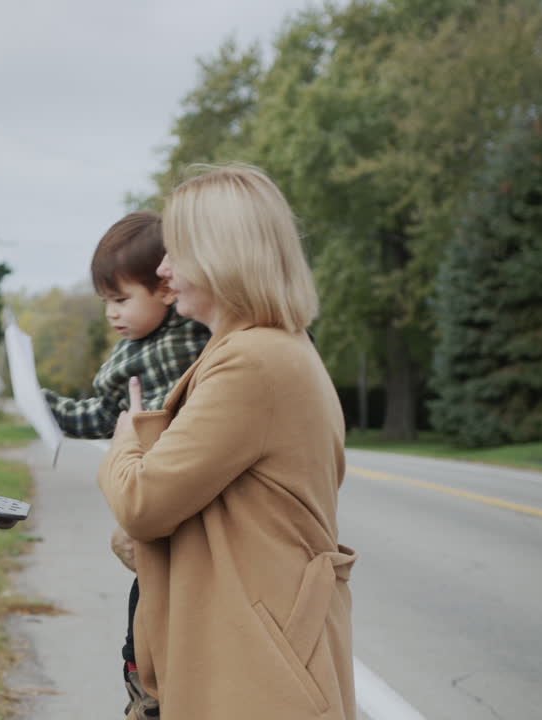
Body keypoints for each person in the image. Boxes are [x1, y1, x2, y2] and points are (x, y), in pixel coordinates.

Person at [98, 164, 357, 719]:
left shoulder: (253, 361)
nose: (164, 270)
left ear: (223, 254)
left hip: (257, 675)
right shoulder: (264, 351)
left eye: (176, 252)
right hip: (253, 662)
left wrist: (126, 440)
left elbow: (145, 502)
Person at [40, 210, 209, 720]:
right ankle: (146, 689)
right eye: (106, 302)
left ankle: (149, 696)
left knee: (152, 623)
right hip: (161, 520)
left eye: (121, 299)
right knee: (147, 613)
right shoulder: (147, 348)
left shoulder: (177, 350)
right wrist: (50, 408)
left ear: (164, 288)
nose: (112, 314)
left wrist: (59, 413)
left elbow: (128, 428)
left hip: (167, 514)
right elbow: (110, 416)